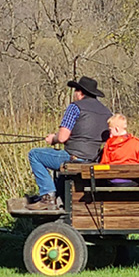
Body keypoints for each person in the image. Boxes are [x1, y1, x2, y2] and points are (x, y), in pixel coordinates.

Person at [27, 76, 112, 210]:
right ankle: (58, 196)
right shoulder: (107, 112)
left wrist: (52, 139)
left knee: (35, 154)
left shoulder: (75, 107)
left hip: (74, 157)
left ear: (80, 92)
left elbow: (62, 137)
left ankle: (48, 196)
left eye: (75, 91)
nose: (74, 94)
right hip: (94, 159)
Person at [100, 114, 139, 187]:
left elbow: (104, 163)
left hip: (113, 181)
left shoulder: (109, 143)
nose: (110, 135)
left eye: (110, 130)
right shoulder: (136, 142)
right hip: (133, 180)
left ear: (116, 129)